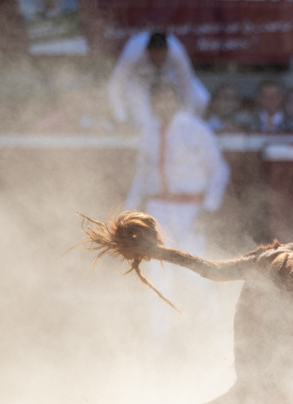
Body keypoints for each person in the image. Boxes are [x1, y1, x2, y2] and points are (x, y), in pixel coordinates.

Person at [123, 82, 229, 325]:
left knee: (195, 272)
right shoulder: (148, 130)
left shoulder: (196, 129)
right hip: (157, 209)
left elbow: (219, 170)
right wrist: (128, 211)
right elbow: (142, 174)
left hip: (190, 209)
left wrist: (209, 208)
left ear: (177, 101)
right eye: (158, 100)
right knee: (157, 272)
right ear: (152, 104)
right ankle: (160, 338)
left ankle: (210, 333)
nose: (164, 104)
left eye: (168, 99)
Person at [107, 31, 209, 130]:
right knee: (142, 121)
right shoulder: (133, 51)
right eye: (154, 57)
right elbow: (115, 84)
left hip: (168, 76)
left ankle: (191, 131)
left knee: (201, 98)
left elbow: (187, 84)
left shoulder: (176, 51)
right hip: (140, 80)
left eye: (161, 57)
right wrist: (120, 118)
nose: (158, 61)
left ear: (167, 51)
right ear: (147, 51)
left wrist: (187, 118)